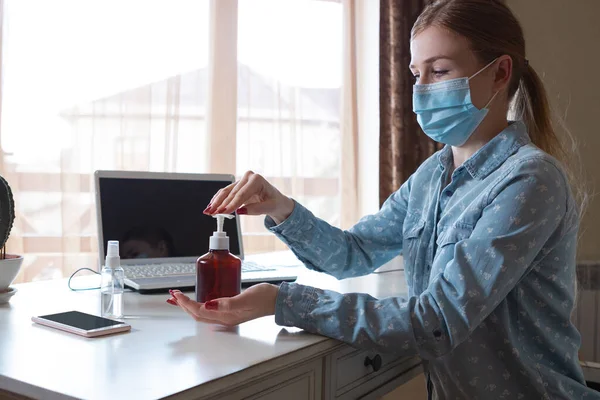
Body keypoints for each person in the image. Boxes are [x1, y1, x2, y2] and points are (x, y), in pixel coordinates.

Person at [169, 0, 598, 398]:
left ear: (500, 73)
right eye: (416, 74)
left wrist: (281, 301)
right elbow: (352, 253)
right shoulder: (433, 174)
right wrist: (279, 206)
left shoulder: (529, 179)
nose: (423, 89)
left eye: (440, 71)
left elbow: (435, 322)